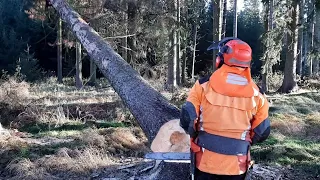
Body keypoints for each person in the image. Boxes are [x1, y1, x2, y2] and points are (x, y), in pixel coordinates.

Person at [179, 37, 270, 180]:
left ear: (220, 60)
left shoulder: (202, 86)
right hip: (237, 166)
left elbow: (187, 118)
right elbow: (262, 131)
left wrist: (195, 135)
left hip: (205, 161)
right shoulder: (258, 94)